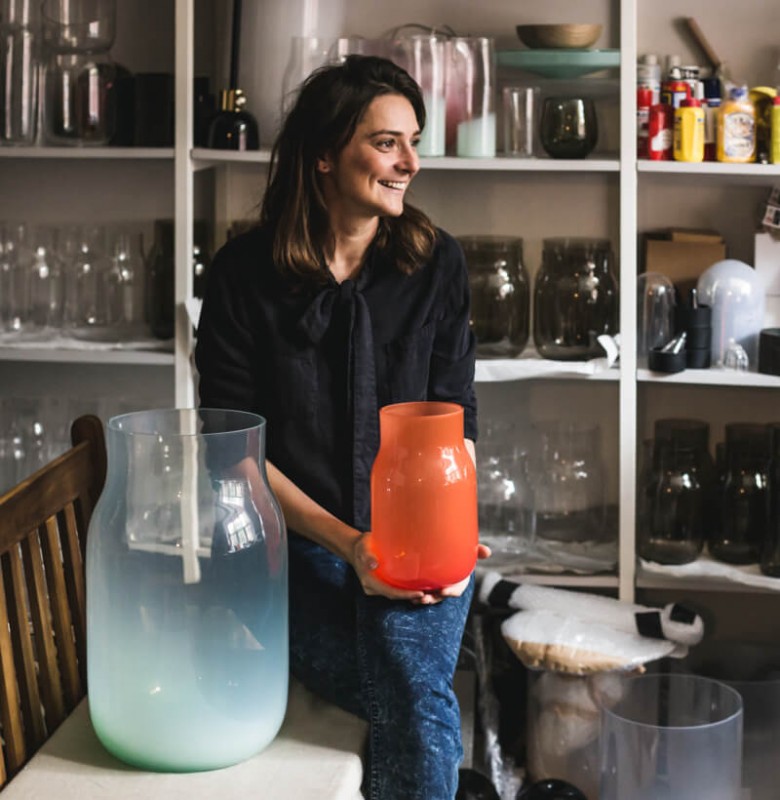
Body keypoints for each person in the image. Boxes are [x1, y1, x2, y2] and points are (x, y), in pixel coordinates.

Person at [195, 54, 490, 800]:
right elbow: (231, 452)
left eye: (413, 142)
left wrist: (448, 537)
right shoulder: (242, 274)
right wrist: (351, 545)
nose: (410, 163)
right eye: (387, 143)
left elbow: (458, 415)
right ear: (325, 154)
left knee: (407, 681)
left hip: (419, 538)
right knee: (413, 690)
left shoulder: (437, 264)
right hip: (290, 547)